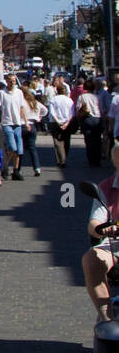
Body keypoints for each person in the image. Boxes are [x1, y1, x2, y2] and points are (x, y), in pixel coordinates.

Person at [82, 144, 119, 322]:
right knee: (91, 259)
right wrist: (101, 229)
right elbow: (94, 222)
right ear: (114, 161)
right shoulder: (106, 186)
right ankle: (106, 318)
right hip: (115, 243)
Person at [0, 74, 28, 181]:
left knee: (19, 149)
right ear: (6, 81)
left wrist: (26, 122)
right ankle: (4, 167)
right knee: (12, 147)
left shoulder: (19, 92)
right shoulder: (2, 93)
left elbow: (22, 107)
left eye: (14, 81)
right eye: (10, 81)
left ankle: (16, 170)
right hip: (7, 122)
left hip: (17, 123)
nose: (12, 82)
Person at [77, 78, 105, 168]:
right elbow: (102, 109)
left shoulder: (82, 97)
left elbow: (78, 108)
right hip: (97, 119)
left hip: (87, 119)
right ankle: (97, 160)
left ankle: (91, 160)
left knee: (88, 140)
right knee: (97, 140)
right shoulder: (98, 97)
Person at [48, 83, 76, 168]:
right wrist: (66, 123)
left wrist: (58, 122)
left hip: (55, 123)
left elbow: (52, 113)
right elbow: (72, 113)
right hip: (67, 122)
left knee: (57, 142)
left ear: (57, 90)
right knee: (66, 141)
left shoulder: (53, 100)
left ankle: (61, 160)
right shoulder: (69, 100)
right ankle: (64, 158)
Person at [22, 90, 47, 177]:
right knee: (32, 148)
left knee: (20, 149)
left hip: (23, 124)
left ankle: (17, 168)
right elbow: (45, 110)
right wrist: (39, 117)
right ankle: (37, 167)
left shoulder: (22, 102)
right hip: (33, 124)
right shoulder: (35, 102)